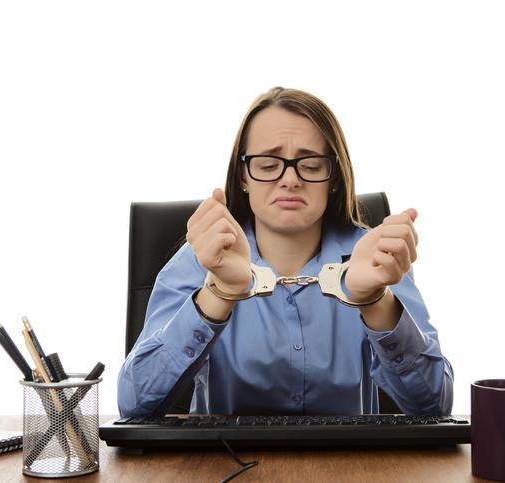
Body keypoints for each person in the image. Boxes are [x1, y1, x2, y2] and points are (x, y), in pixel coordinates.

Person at [118, 87, 453, 417]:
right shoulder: (202, 258)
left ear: (333, 176)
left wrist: (376, 300)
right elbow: (134, 404)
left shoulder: (377, 259)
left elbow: (434, 407)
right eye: (267, 165)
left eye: (310, 164)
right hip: (223, 465)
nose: (290, 180)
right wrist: (218, 294)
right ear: (243, 176)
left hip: (348, 465)